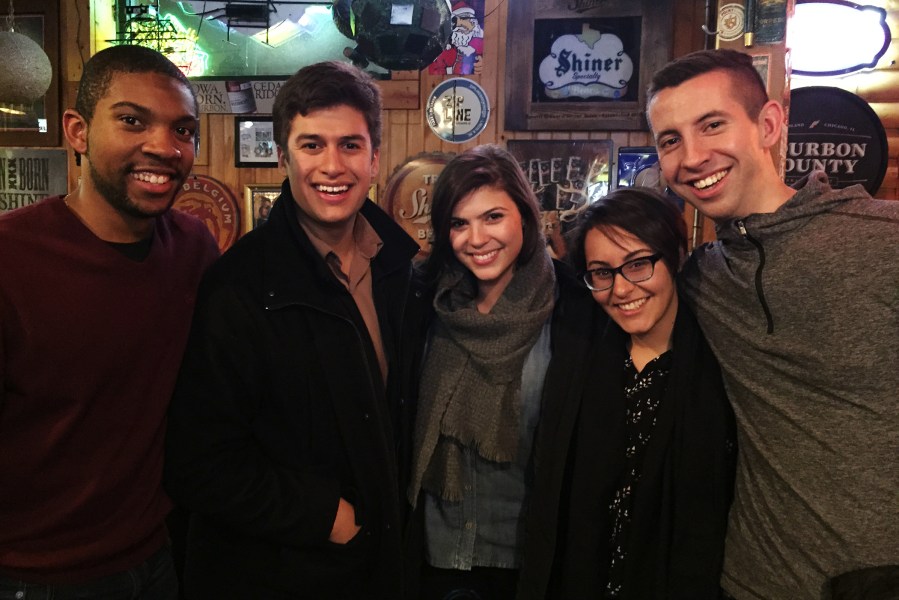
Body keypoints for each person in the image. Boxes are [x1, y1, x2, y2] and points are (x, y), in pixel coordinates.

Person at [647, 48, 899, 599]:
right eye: (670, 140)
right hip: (752, 582)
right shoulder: (701, 280)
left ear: (768, 124)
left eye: (712, 125)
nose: (692, 156)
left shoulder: (885, 241)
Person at [163, 61, 421, 599]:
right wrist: (329, 515)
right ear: (283, 157)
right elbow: (197, 463)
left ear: (375, 158)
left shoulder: (400, 267)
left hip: (381, 565)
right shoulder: (238, 286)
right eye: (312, 145)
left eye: (350, 145)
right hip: (280, 573)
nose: (333, 166)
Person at [0, 45, 219, 598]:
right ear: (77, 131)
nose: (164, 147)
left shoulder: (193, 248)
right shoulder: (10, 256)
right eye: (131, 120)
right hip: (35, 574)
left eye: (184, 131)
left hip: (157, 554)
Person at [517, 188, 736, 599]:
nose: (620, 290)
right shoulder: (579, 355)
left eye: (637, 265)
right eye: (602, 272)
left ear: (674, 257)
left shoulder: (720, 362)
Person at [407, 144, 579, 600]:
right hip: (433, 559)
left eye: (493, 217)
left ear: (525, 215)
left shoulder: (572, 308)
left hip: (528, 565)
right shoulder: (425, 300)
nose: (476, 239)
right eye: (459, 223)